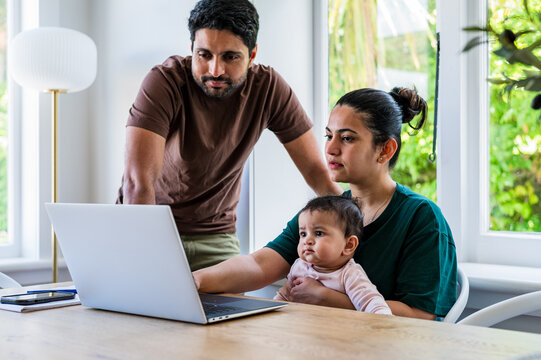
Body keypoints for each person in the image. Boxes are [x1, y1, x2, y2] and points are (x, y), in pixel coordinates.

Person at [194, 86, 457, 320]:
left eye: (347, 138)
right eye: (329, 136)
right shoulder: (325, 211)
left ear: (385, 149)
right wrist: (195, 281)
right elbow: (260, 264)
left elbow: (420, 316)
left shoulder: (422, 218)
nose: (331, 149)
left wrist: (328, 300)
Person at [116, 0, 341, 271]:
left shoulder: (269, 89)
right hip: (148, 228)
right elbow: (137, 183)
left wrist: (358, 221)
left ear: (253, 53)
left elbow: (317, 172)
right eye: (204, 55)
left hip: (216, 237)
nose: (215, 70)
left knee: (229, 313)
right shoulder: (165, 82)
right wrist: (145, 257)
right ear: (191, 49)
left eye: (230, 57)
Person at [274, 195, 392, 315]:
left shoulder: (350, 274)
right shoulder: (299, 266)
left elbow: (371, 303)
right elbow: (283, 295)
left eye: (319, 233)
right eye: (303, 234)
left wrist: (384, 320)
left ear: (348, 245)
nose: (307, 240)